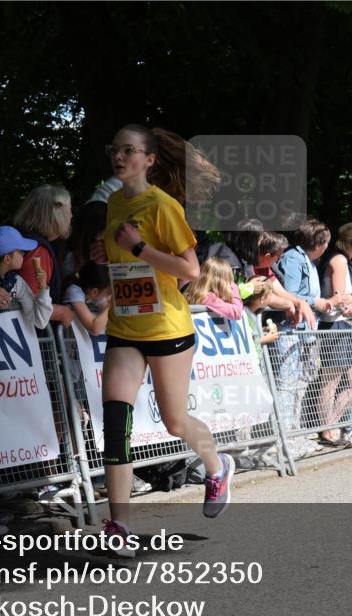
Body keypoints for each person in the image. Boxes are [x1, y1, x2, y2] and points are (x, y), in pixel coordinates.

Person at [89, 124, 233, 555]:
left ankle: (216, 465)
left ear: (149, 159)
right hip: (126, 328)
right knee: (115, 424)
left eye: (129, 150)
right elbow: (123, 258)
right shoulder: (114, 201)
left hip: (168, 328)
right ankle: (119, 526)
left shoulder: (163, 206)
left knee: (174, 422)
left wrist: (136, 250)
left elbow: (190, 270)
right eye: (115, 150)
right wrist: (106, 254)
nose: (119, 157)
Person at [272, 218, 344, 453]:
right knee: (288, 384)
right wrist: (319, 302)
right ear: (320, 243)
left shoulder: (309, 261)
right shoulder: (294, 258)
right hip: (292, 330)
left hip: (306, 331)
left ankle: (294, 432)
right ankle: (285, 437)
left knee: (301, 384)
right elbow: (292, 294)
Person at [317, 223, 352, 445]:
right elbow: (342, 299)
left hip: (343, 326)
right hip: (334, 325)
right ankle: (328, 430)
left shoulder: (348, 263)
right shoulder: (338, 260)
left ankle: (331, 424)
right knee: (331, 381)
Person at [12, 185, 76, 327]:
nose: (71, 216)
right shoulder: (37, 250)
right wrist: (62, 312)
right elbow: (31, 302)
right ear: (56, 215)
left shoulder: (18, 240)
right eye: (69, 211)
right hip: (30, 338)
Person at [0, 226, 53, 329]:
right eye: (20, 251)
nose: (24, 254)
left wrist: (43, 289)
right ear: (7, 259)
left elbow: (40, 321)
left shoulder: (17, 282)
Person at [64, 261, 111, 336]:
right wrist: (111, 307)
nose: (107, 297)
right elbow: (95, 328)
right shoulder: (74, 292)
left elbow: (104, 307)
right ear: (94, 291)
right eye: (107, 293)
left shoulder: (89, 293)